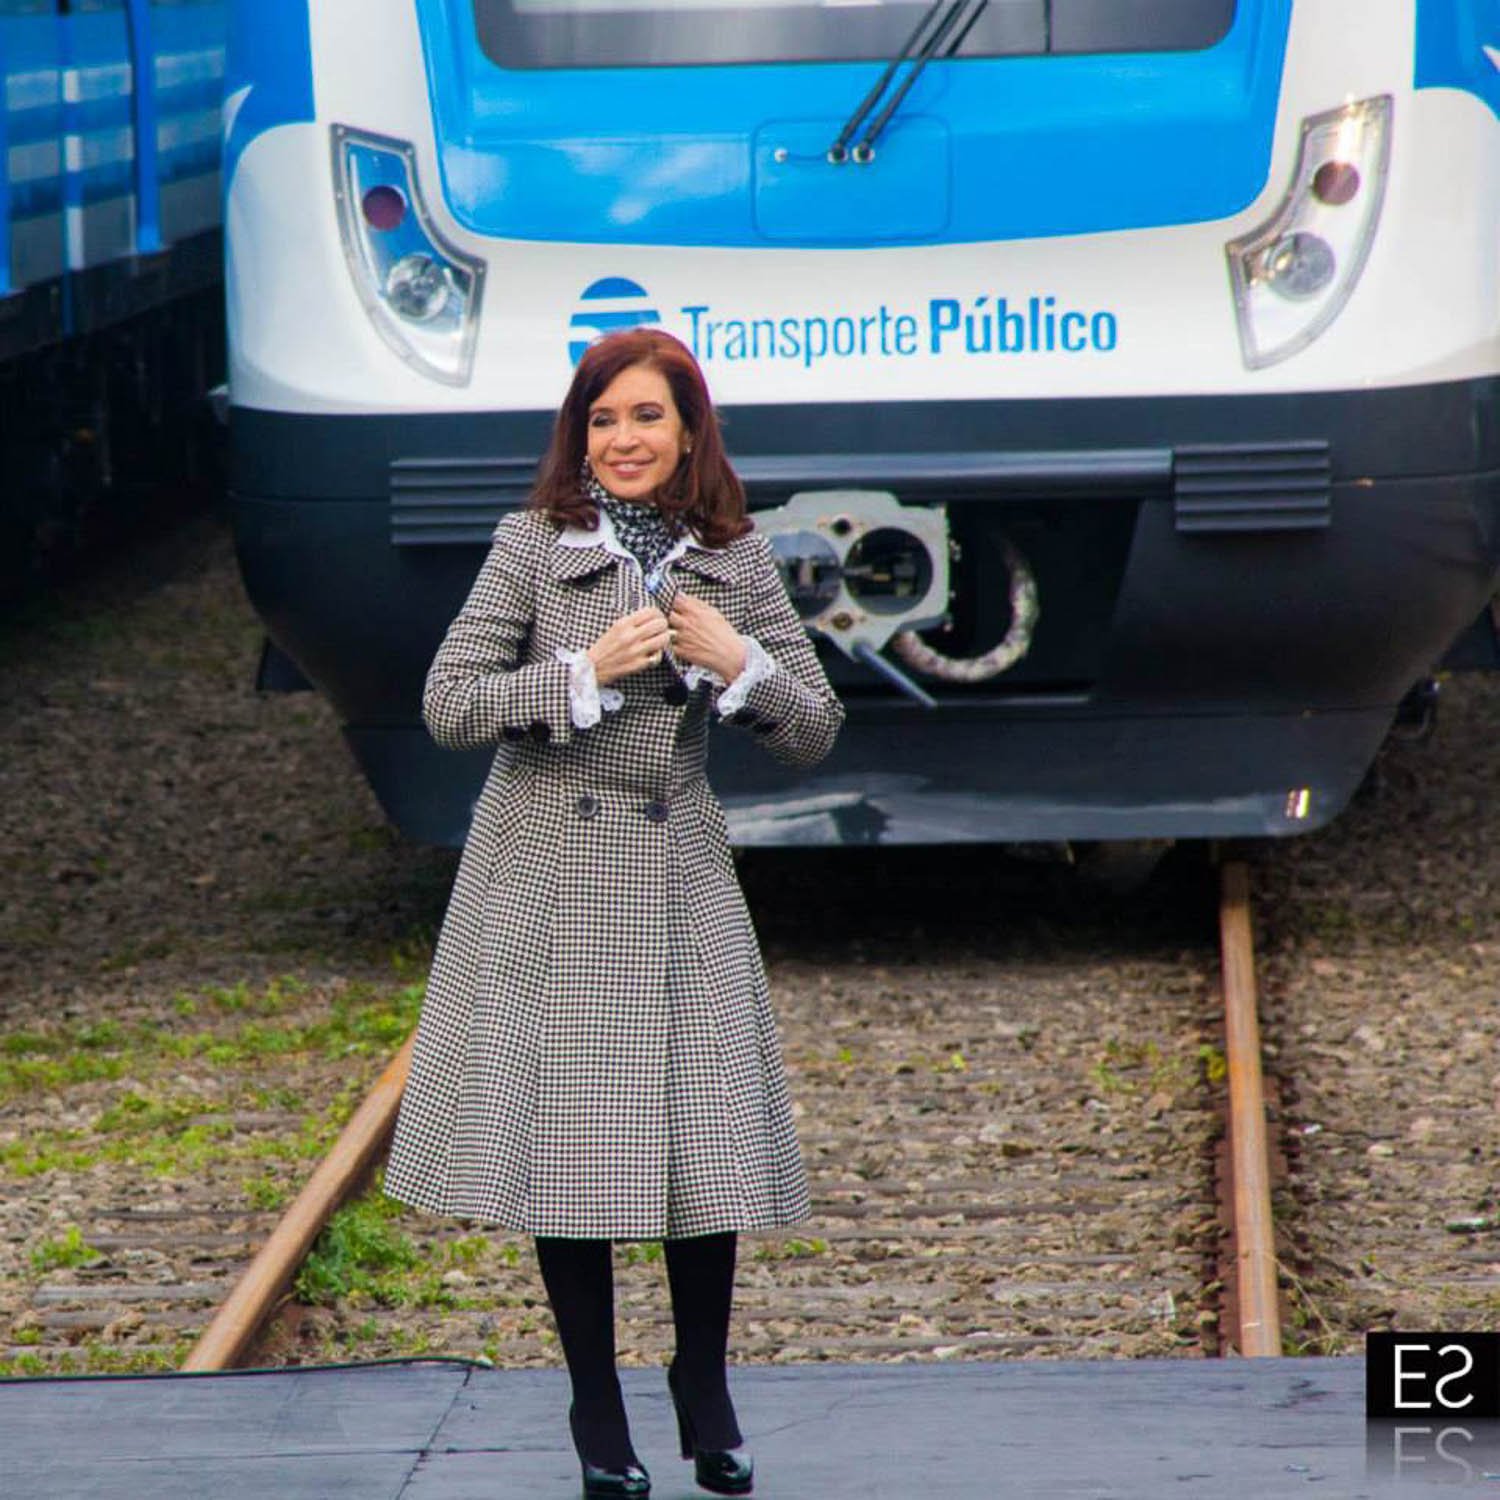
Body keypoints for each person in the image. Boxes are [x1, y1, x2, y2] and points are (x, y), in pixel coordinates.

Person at [384, 327, 844, 1498]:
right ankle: (597, 1404)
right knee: (572, 1155)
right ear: (576, 435)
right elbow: (446, 703)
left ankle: (705, 1381)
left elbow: (814, 731)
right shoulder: (532, 547)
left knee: (704, 1136)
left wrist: (742, 664)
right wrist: (578, 672)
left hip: (675, 863)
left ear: (690, 430)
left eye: (645, 417)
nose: (623, 441)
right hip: (549, 871)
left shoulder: (735, 562)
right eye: (601, 420)